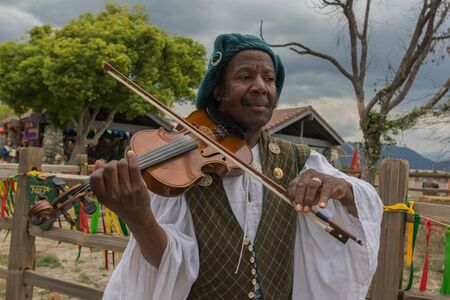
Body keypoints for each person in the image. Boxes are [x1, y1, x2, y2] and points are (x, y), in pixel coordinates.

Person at [91, 33, 383, 300]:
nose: (260, 87)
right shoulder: (181, 166)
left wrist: (342, 187)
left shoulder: (299, 160)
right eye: (245, 77)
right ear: (219, 91)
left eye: (269, 79)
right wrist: (140, 218)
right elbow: (171, 264)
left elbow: (366, 203)